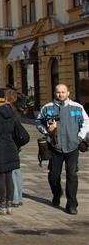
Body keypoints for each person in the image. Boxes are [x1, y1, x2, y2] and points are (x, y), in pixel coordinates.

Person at [37, 84, 89, 215]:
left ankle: (72, 204)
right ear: (55, 93)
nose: (60, 94)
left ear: (68, 93)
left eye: (63, 92)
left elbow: (86, 123)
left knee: (72, 175)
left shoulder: (77, 107)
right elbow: (38, 122)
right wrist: (47, 130)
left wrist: (79, 138)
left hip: (72, 147)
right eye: (58, 92)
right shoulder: (47, 108)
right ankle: (57, 192)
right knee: (53, 175)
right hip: (55, 147)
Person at [5, 88, 24, 207]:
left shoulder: (8, 110)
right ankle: (19, 197)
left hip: (9, 142)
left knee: (11, 171)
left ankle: (15, 199)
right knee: (17, 170)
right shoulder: (18, 109)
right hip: (17, 143)